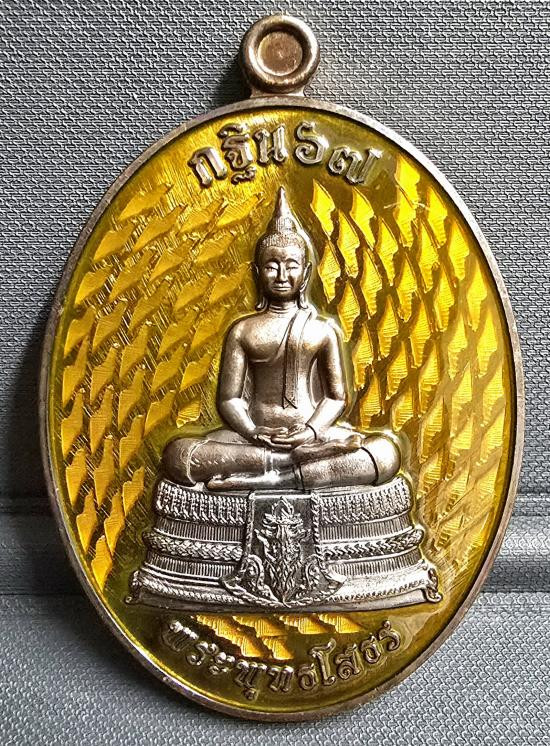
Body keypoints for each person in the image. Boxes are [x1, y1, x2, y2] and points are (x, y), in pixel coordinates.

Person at [163, 187, 400, 491]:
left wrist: (311, 432)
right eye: (271, 266)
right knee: (177, 455)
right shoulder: (243, 330)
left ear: (306, 273)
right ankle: (287, 463)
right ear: (257, 272)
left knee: (386, 454)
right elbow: (229, 399)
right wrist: (252, 431)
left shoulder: (321, 330)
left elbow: (336, 398)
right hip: (254, 440)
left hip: (313, 436)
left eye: (291, 266)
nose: (281, 275)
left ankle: (281, 475)